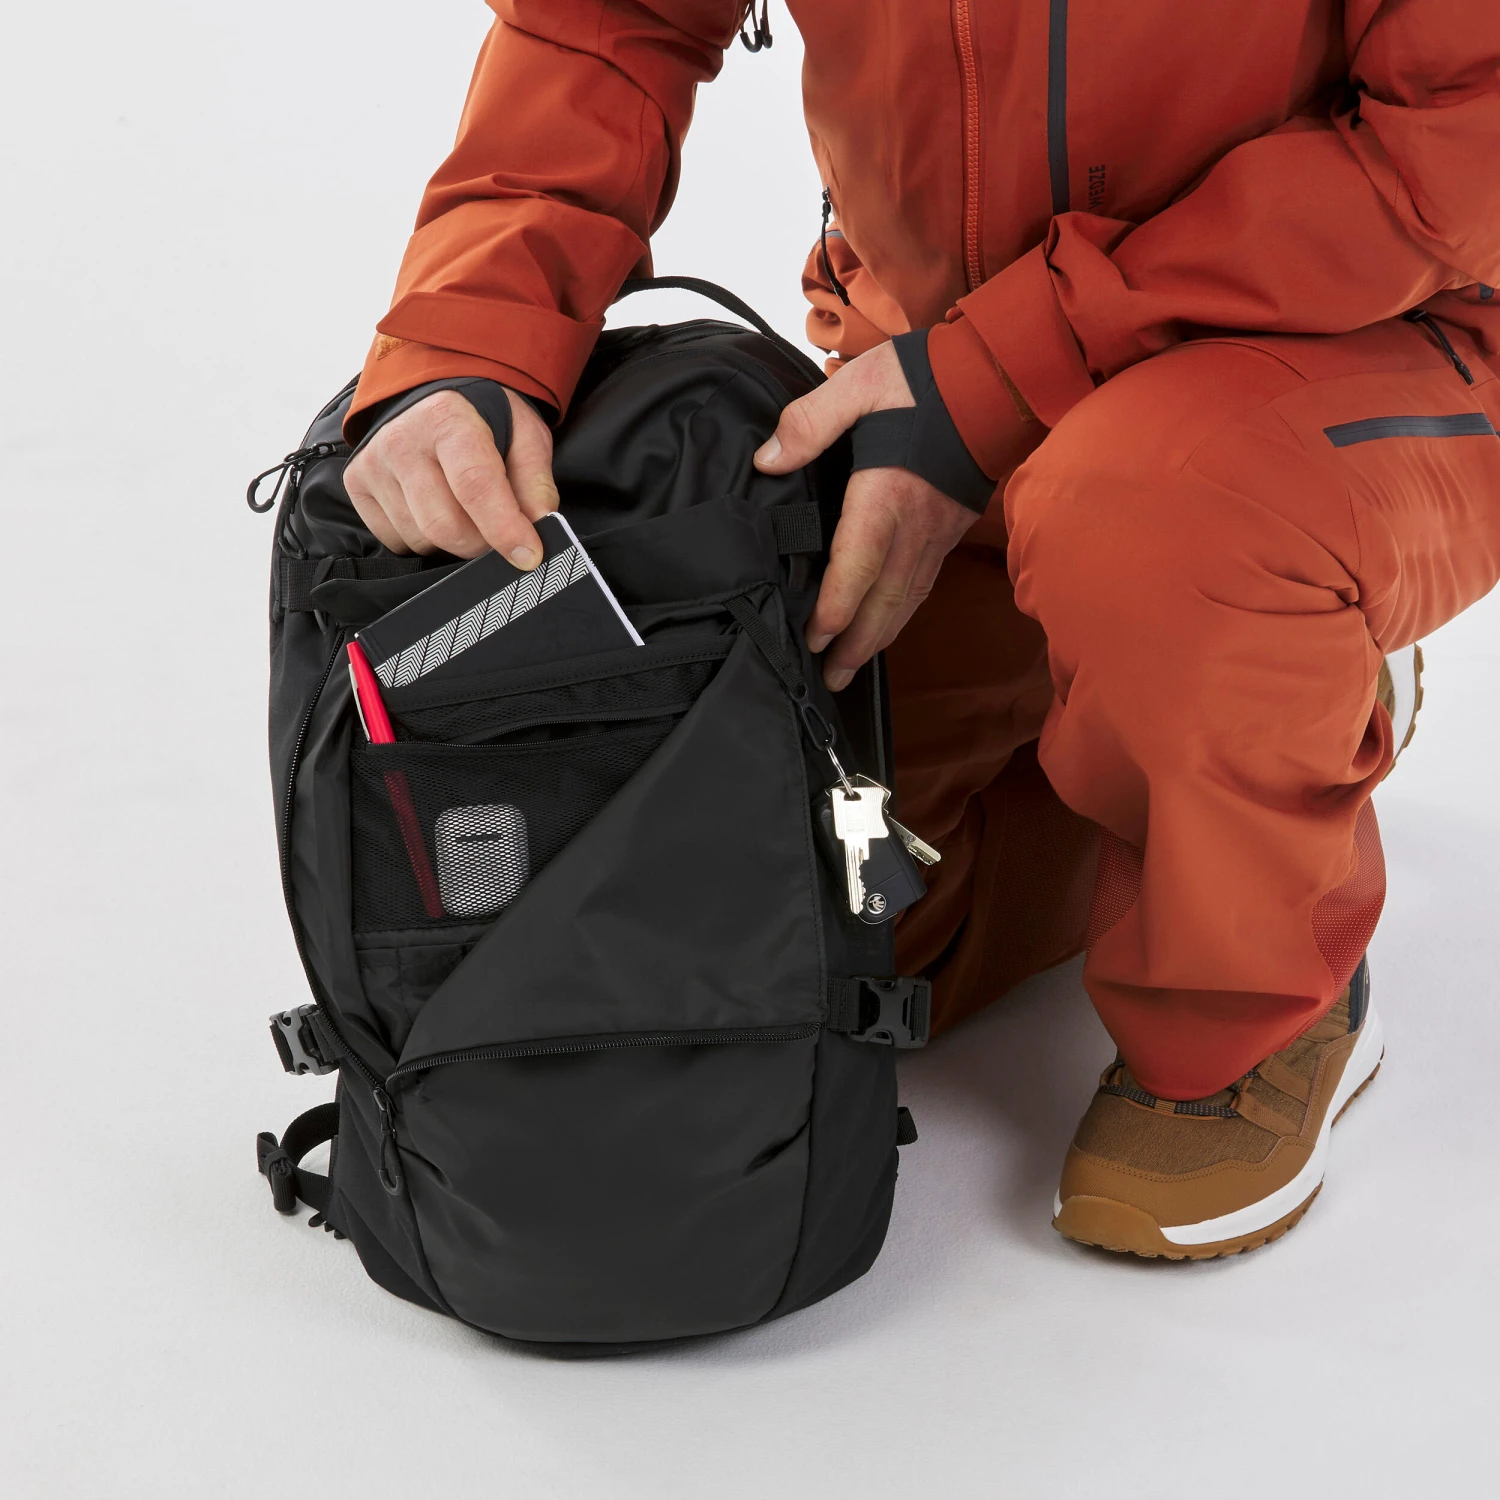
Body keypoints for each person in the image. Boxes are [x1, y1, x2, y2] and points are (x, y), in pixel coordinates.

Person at [340, 1, 1500, 1260]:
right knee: (821, 930)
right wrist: (477, 325)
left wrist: (1008, 366)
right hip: (923, 385)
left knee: (1167, 525)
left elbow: (1458, 146)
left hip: (1358, 341)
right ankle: (1250, 709)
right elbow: (608, 21)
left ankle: (1264, 999)